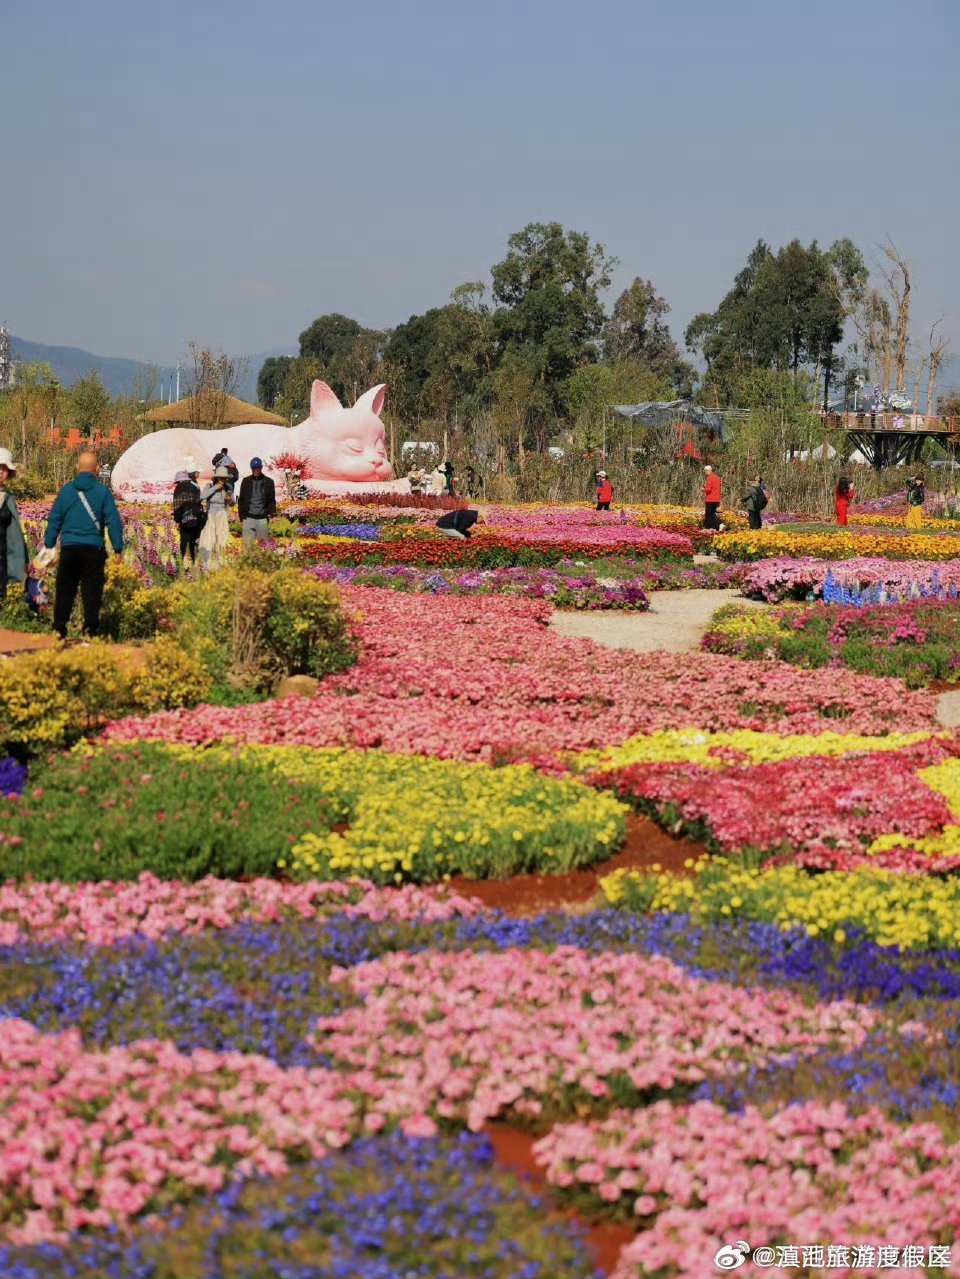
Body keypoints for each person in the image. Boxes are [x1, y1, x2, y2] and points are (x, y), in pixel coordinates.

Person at [44, 450, 124, 640]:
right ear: (97, 469)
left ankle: (59, 630)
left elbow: (54, 519)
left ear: (77, 468)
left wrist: (49, 545)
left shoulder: (66, 491)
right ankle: (89, 633)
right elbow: (113, 521)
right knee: (92, 592)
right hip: (93, 550)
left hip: (70, 548)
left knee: (65, 590)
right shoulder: (103, 492)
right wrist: (118, 548)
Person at [0, 448, 28, 604]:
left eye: (4, 469)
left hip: (4, 553)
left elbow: (15, 532)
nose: (1, 472)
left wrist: (23, 559)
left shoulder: (8, 498)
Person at [198, 465, 234, 567]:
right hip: (210, 515)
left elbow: (233, 504)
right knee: (209, 538)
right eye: (221, 477)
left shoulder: (228, 488)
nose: (223, 479)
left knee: (221, 538)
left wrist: (229, 500)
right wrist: (215, 488)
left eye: (225, 478)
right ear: (217, 477)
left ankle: (220, 560)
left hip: (222, 515)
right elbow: (202, 497)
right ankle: (207, 561)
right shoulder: (209, 486)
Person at [237, 457, 277, 547]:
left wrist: (271, 514)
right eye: (254, 468)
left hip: (262, 518)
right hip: (248, 518)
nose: (256, 470)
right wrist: (242, 517)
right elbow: (241, 500)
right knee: (248, 546)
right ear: (251, 468)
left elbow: (271, 500)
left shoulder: (268, 482)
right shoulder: (246, 481)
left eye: (258, 468)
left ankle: (264, 561)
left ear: (261, 468)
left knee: (264, 547)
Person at [172, 462, 205, 564]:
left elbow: (177, 505)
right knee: (194, 541)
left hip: (184, 519)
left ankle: (182, 563)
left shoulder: (179, 488)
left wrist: (177, 520)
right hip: (196, 518)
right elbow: (198, 502)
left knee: (184, 541)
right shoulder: (195, 486)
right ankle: (195, 562)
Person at [703, 465, 722, 530]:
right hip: (716, 498)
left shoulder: (709, 478)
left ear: (707, 471)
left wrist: (703, 489)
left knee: (708, 514)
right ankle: (717, 526)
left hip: (710, 499)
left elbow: (708, 489)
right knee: (712, 514)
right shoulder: (717, 477)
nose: (705, 473)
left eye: (705, 472)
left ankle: (709, 527)